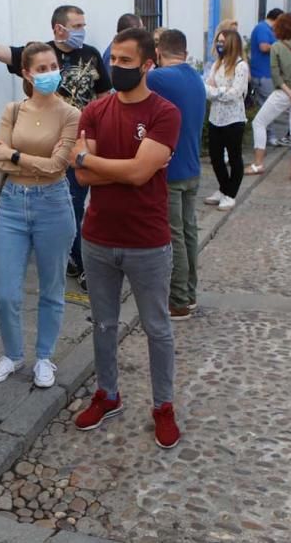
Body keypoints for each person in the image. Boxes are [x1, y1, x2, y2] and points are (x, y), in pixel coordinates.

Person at [69, 27, 182, 449]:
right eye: (112, 59)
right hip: (97, 238)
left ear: (148, 64)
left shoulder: (164, 113)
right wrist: (115, 165)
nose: (115, 67)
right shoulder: (95, 111)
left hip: (148, 241)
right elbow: (81, 175)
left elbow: (138, 173)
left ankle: (163, 407)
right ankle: (108, 394)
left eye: (125, 61)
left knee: (157, 328)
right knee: (103, 324)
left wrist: (93, 160)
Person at [0, 0, 110, 291]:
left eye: (83, 25)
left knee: (83, 206)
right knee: (70, 206)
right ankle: (80, 264)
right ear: (59, 28)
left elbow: (104, 100)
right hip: (49, 148)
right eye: (76, 26)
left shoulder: (93, 55)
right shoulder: (40, 54)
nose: (82, 31)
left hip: (83, 145)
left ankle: (73, 257)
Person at [0, 42, 80, 387]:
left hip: (53, 203)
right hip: (11, 203)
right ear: (26, 73)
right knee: (5, 292)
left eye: (53, 66)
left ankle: (44, 358)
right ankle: (12, 355)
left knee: (51, 288)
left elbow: (59, 165)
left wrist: (17, 155)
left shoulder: (70, 114)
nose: (49, 73)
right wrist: (14, 157)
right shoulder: (12, 110)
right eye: (41, 69)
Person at [147, 29, 206, 320]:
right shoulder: (195, 75)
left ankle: (179, 301)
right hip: (192, 167)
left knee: (174, 237)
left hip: (171, 171)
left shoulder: (159, 78)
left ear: (159, 51)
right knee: (188, 232)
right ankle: (190, 294)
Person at [245, 12, 291, 181]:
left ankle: (258, 163)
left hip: (284, 92)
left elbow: (276, 74)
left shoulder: (277, 47)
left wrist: (289, 92)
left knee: (259, 122)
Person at [203, 28, 248, 210]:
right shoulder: (216, 64)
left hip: (233, 119)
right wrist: (220, 91)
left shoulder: (240, 66)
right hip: (216, 118)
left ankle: (231, 193)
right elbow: (206, 88)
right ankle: (223, 188)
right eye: (218, 41)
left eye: (222, 41)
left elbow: (235, 93)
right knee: (215, 157)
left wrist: (217, 91)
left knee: (235, 157)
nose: (219, 45)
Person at [250, 8, 287, 147]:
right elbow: (264, 47)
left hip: (267, 73)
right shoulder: (263, 29)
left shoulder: (268, 29)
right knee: (267, 106)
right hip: (262, 74)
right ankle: (269, 136)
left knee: (266, 105)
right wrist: (281, 47)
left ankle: (268, 135)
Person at [101, 13, 144, 79]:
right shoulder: (112, 54)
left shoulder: (126, 50)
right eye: (141, 29)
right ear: (134, 30)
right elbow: (111, 84)